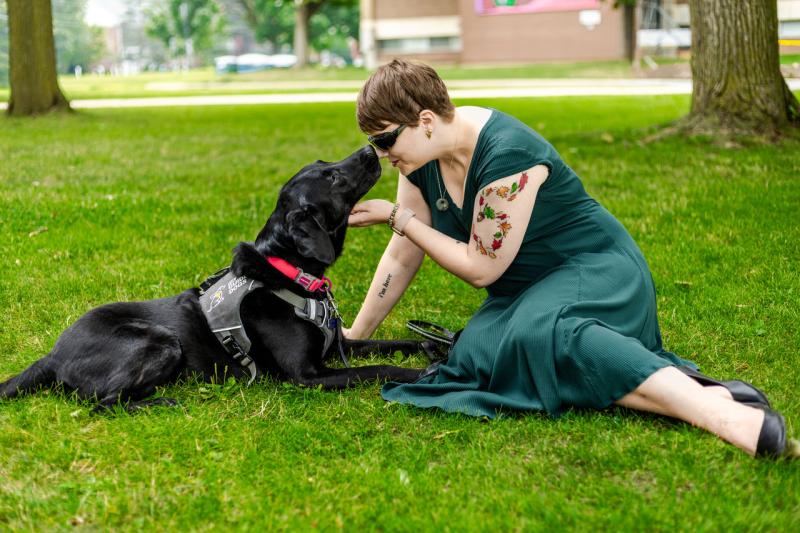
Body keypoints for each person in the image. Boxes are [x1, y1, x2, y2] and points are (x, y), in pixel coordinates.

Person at [344, 59, 796, 459]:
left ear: (425, 120)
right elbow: (403, 256)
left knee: (547, 336)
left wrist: (398, 217)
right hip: (527, 294)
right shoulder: (420, 161)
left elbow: (480, 269)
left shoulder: (507, 156)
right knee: (475, 354)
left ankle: (722, 414)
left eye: (385, 141)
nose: (383, 156)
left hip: (594, 268)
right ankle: (688, 388)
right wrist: (355, 337)